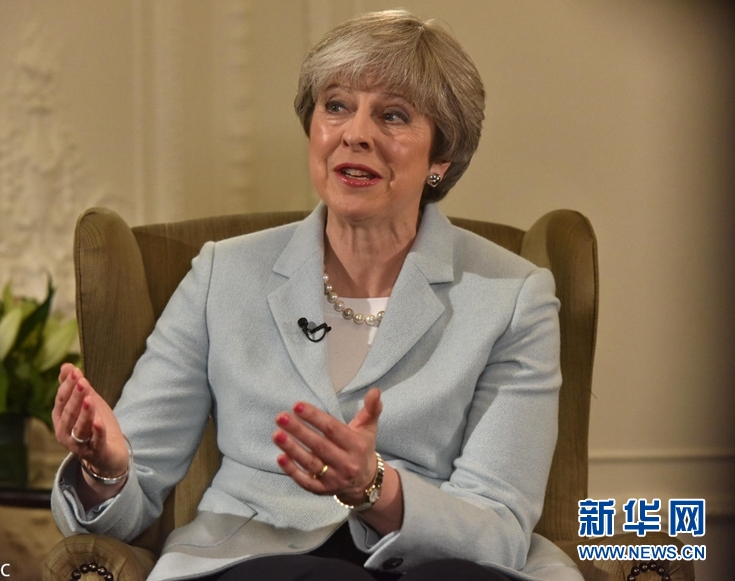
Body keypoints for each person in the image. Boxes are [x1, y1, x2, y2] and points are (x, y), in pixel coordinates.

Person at [51, 9, 582, 581]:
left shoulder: (511, 296)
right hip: (256, 555)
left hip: (433, 558)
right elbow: (131, 494)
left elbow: (499, 526)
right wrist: (105, 469)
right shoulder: (224, 275)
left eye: (393, 115)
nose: (356, 133)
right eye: (337, 106)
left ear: (440, 158)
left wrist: (374, 487)